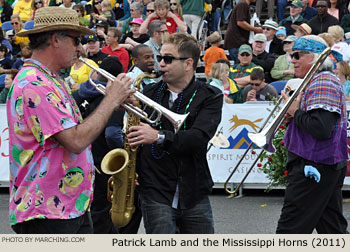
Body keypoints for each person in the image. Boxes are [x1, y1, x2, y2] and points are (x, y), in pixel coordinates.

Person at [6, 6, 135, 234]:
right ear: (56, 40)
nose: (80, 48)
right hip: (47, 210)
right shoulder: (35, 84)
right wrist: (111, 101)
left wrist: (115, 101)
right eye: (76, 41)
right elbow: (75, 140)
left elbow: (74, 129)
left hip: (67, 206)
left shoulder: (51, 79)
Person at [126, 32, 223, 234]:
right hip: (155, 188)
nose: (160, 64)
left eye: (168, 59)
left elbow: (198, 139)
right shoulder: (148, 93)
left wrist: (158, 136)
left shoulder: (209, 96)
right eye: (159, 57)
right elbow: (133, 135)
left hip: (193, 189)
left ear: (188, 64)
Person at [276, 35, 349, 234]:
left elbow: (321, 129)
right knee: (331, 228)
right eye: (292, 55)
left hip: (313, 164)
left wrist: (294, 112)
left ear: (315, 58)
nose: (293, 60)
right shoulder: (317, 80)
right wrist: (295, 117)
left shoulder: (322, 82)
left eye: (297, 55)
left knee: (290, 230)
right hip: (322, 163)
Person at [71, 56, 131, 234]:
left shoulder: (76, 94)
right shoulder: (113, 99)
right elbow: (112, 133)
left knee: (86, 211)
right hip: (104, 163)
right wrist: (123, 155)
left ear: (97, 73)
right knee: (103, 215)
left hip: (81, 161)